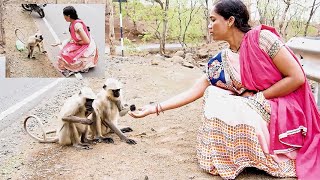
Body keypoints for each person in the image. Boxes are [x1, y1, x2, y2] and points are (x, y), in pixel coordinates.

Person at [129, 0, 320, 179]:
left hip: (285, 108)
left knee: (230, 101)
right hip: (259, 108)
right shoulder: (223, 59)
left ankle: (273, 158)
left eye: (213, 20)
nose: (209, 26)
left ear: (230, 21)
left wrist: (259, 97)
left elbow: (297, 77)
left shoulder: (262, 39)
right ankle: (239, 158)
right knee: (214, 94)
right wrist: (155, 108)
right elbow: (194, 91)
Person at [52, 6, 98, 77]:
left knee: (65, 56)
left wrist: (76, 43)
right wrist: (60, 42)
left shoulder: (77, 26)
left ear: (68, 16)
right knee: (64, 51)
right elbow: (72, 37)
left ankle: (74, 68)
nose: (64, 17)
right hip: (80, 42)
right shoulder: (73, 23)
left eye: (64, 16)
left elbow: (87, 41)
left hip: (85, 45)